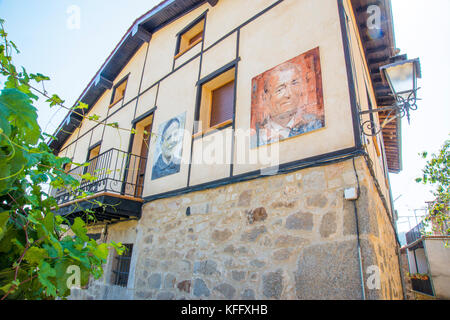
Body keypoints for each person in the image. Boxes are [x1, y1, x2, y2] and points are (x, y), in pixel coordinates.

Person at [255, 61, 324, 146]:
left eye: (294, 84)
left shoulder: (315, 123)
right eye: (280, 89)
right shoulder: (255, 136)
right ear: (265, 97)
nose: (289, 94)